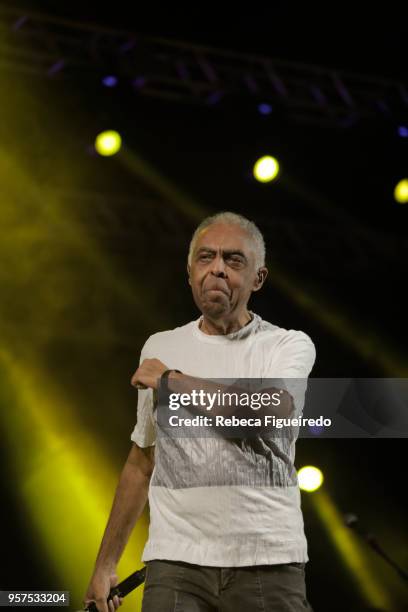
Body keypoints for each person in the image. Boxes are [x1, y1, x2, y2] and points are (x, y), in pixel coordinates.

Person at [83, 211, 316, 612]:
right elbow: (142, 461)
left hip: (267, 560)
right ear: (190, 272)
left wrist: (170, 381)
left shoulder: (287, 346)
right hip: (175, 564)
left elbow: (263, 414)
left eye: (234, 260)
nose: (218, 270)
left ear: (258, 278)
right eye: (205, 258)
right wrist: (105, 564)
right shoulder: (161, 346)